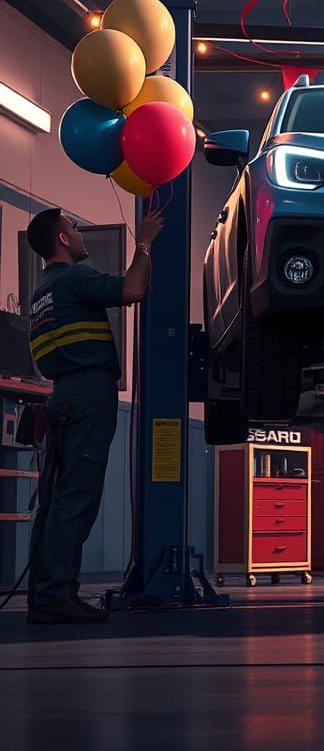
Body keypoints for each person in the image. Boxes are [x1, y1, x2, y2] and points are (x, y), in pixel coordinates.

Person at [25, 206, 163, 624]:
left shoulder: (41, 291)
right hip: (86, 394)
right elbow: (132, 290)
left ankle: (45, 594)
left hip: (63, 395)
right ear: (63, 240)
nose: (81, 235)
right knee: (76, 500)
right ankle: (54, 596)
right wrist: (144, 242)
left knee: (54, 501)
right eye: (75, 229)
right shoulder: (73, 279)